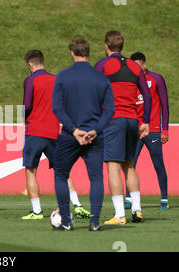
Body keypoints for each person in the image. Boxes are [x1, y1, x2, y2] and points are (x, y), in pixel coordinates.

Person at [52, 37, 115, 231]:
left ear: (72, 52)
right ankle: (95, 221)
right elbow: (110, 110)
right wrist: (95, 131)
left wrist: (74, 130)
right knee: (96, 178)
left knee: (61, 175)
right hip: (94, 136)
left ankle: (66, 221)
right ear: (88, 53)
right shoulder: (101, 77)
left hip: (70, 135)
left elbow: (56, 108)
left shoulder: (62, 76)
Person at [20, 50, 90, 220]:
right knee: (62, 170)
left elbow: (27, 105)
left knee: (31, 171)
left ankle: (36, 212)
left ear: (30, 65)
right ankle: (78, 205)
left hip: (35, 131)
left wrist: (24, 118)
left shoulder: (31, 80)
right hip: (53, 132)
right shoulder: (56, 79)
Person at [94, 30, 152, 225]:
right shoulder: (135, 67)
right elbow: (147, 95)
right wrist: (145, 121)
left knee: (113, 166)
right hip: (132, 120)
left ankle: (119, 215)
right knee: (129, 165)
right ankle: (137, 210)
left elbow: (93, 91)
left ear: (106, 46)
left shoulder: (103, 64)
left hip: (113, 120)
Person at [125, 52, 170, 210]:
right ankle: (128, 198)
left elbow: (164, 104)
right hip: (134, 130)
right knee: (130, 163)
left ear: (144, 64)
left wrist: (165, 129)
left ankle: (164, 198)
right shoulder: (130, 80)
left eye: (137, 65)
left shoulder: (156, 79)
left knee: (158, 164)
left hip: (153, 130)